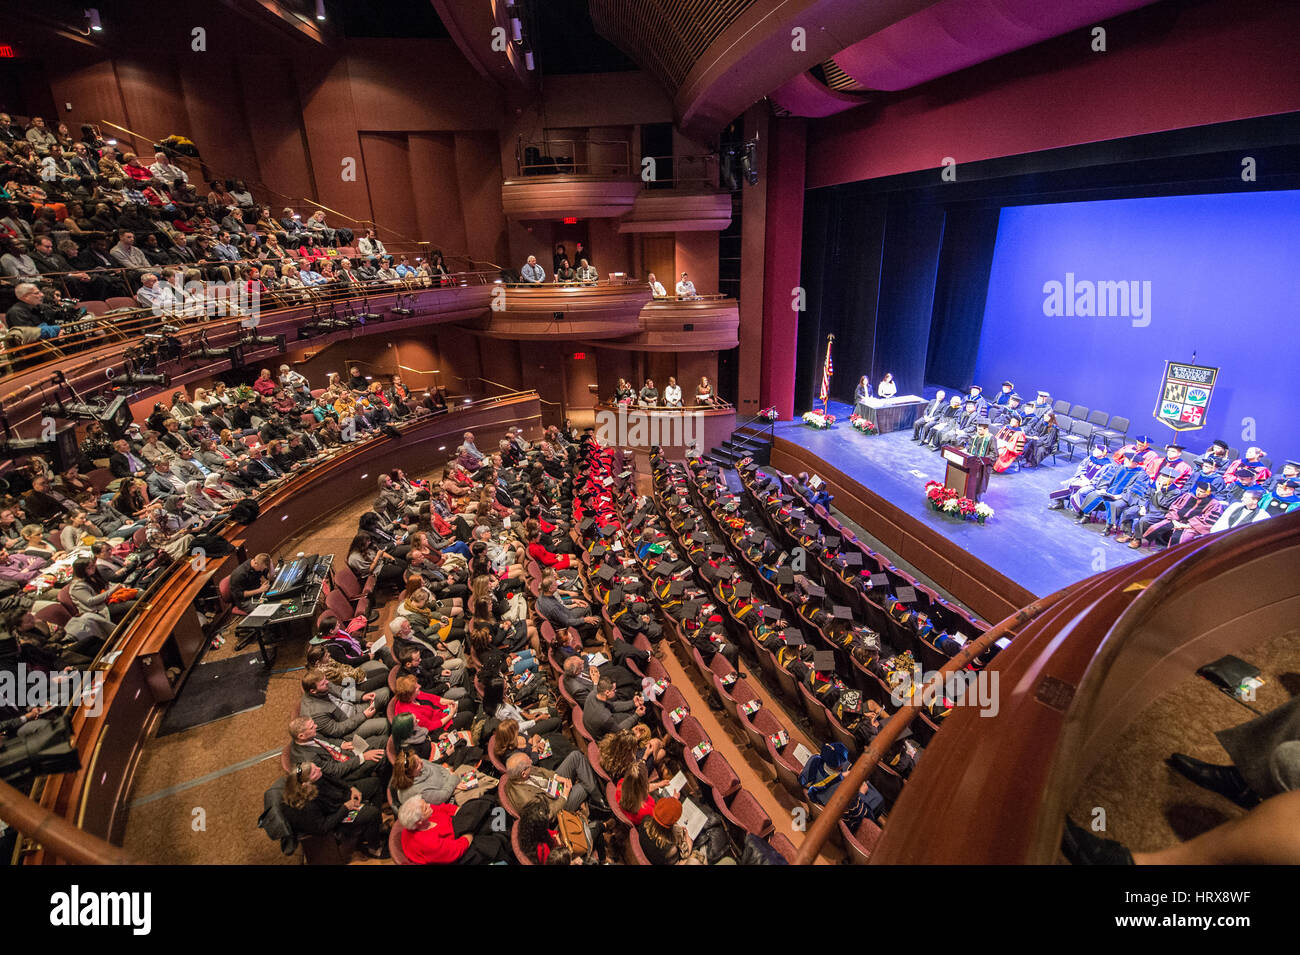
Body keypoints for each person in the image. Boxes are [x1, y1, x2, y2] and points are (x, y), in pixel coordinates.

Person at [281, 762, 386, 858]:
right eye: (314, 772)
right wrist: (345, 807)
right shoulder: (307, 806)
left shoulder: (318, 775)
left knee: (374, 783)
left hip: (340, 800)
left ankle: (375, 829)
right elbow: (323, 827)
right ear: (306, 784)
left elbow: (337, 781)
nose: (318, 768)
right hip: (336, 818)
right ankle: (373, 848)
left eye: (315, 766)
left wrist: (351, 788)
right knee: (372, 813)